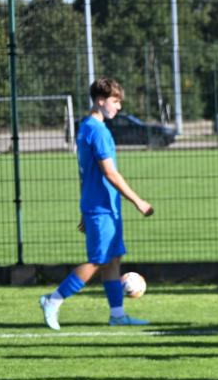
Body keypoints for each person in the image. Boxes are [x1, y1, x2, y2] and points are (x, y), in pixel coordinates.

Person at [40, 77, 154, 330]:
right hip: (101, 207)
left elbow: (85, 174)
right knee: (98, 260)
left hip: (101, 205)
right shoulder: (98, 131)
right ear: (101, 101)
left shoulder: (87, 127)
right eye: (115, 101)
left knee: (113, 259)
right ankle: (53, 299)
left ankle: (117, 315)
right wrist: (138, 201)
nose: (119, 107)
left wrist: (84, 207)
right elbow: (109, 173)